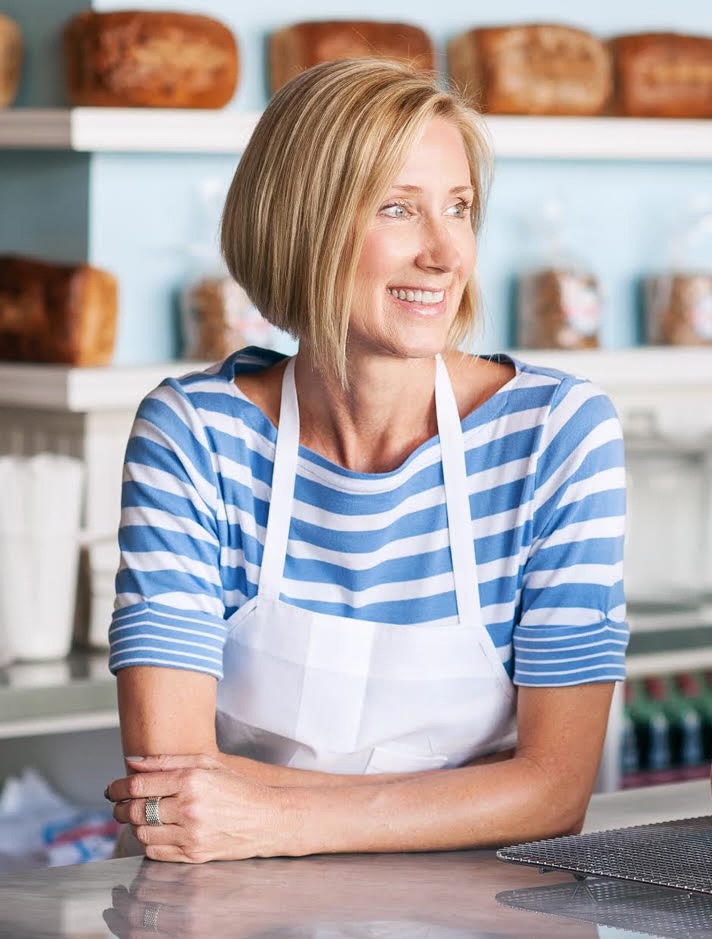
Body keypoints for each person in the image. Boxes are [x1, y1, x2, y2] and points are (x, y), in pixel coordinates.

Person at [104, 57, 629, 863]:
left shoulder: (556, 434)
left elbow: (554, 792)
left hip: (479, 914)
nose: (447, 253)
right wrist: (470, 794)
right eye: (398, 209)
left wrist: (269, 813)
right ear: (301, 227)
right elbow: (171, 796)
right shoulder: (195, 435)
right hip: (231, 913)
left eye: (459, 208)